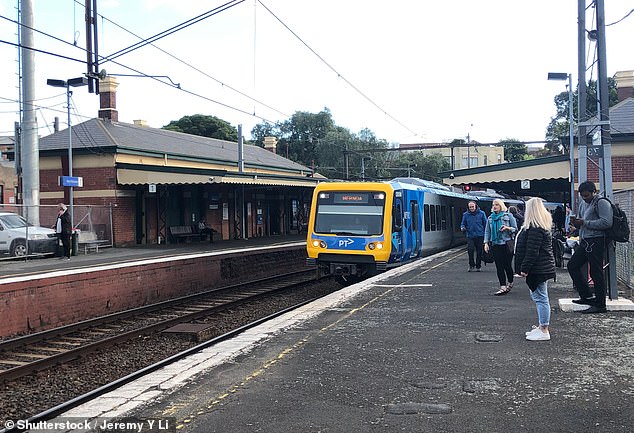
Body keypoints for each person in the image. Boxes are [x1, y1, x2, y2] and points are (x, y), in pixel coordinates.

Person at [567, 181, 613, 314]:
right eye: (582, 196)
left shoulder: (601, 202)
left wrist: (584, 223)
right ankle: (586, 296)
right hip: (586, 240)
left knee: (596, 272)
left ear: (594, 192)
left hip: (597, 240)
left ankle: (600, 304)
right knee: (573, 265)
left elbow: (607, 222)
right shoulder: (583, 203)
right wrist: (577, 224)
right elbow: (583, 220)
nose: (585, 198)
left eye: (587, 195)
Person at [514, 198, 556, 341]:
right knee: (539, 296)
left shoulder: (535, 228)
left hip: (538, 269)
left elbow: (532, 251)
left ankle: (544, 330)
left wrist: (524, 268)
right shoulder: (540, 225)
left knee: (541, 298)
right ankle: (541, 326)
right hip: (541, 267)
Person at [484, 199, 517, 295]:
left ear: (501, 206)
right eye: (493, 205)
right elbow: (487, 231)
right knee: (499, 266)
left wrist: (507, 228)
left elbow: (515, 228)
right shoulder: (490, 218)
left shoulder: (508, 216)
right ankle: (502, 286)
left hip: (506, 244)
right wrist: (486, 243)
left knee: (507, 266)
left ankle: (510, 282)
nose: (494, 206)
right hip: (495, 244)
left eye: (497, 205)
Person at [460, 201, 487, 272]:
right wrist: (462, 227)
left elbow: (485, 224)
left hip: (480, 235)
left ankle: (478, 266)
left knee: (479, 251)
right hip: (470, 235)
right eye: (470, 207)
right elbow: (463, 223)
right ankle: (471, 265)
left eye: (472, 207)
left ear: (476, 206)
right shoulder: (465, 215)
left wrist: (486, 234)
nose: (471, 208)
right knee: (470, 250)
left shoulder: (482, 213)